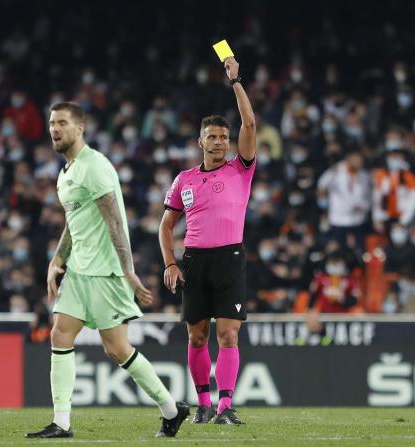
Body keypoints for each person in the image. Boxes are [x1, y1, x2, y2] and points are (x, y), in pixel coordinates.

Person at [27, 102, 189, 439]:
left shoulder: (94, 166)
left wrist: (128, 271)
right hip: (79, 269)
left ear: (80, 128)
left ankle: (171, 409)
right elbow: (75, 224)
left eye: (62, 123)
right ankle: (62, 422)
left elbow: (115, 221)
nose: (55, 129)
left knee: (117, 349)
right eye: (52, 123)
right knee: (60, 334)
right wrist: (57, 260)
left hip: (104, 271)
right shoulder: (66, 173)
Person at [159, 57, 256, 425]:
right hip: (195, 260)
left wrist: (236, 82)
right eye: (212, 137)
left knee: (229, 335)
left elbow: (249, 122)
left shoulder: (240, 169)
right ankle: (202, 404)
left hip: (230, 258)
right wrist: (170, 262)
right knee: (197, 337)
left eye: (223, 137)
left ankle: (225, 407)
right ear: (200, 140)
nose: (218, 142)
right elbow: (165, 226)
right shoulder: (184, 179)